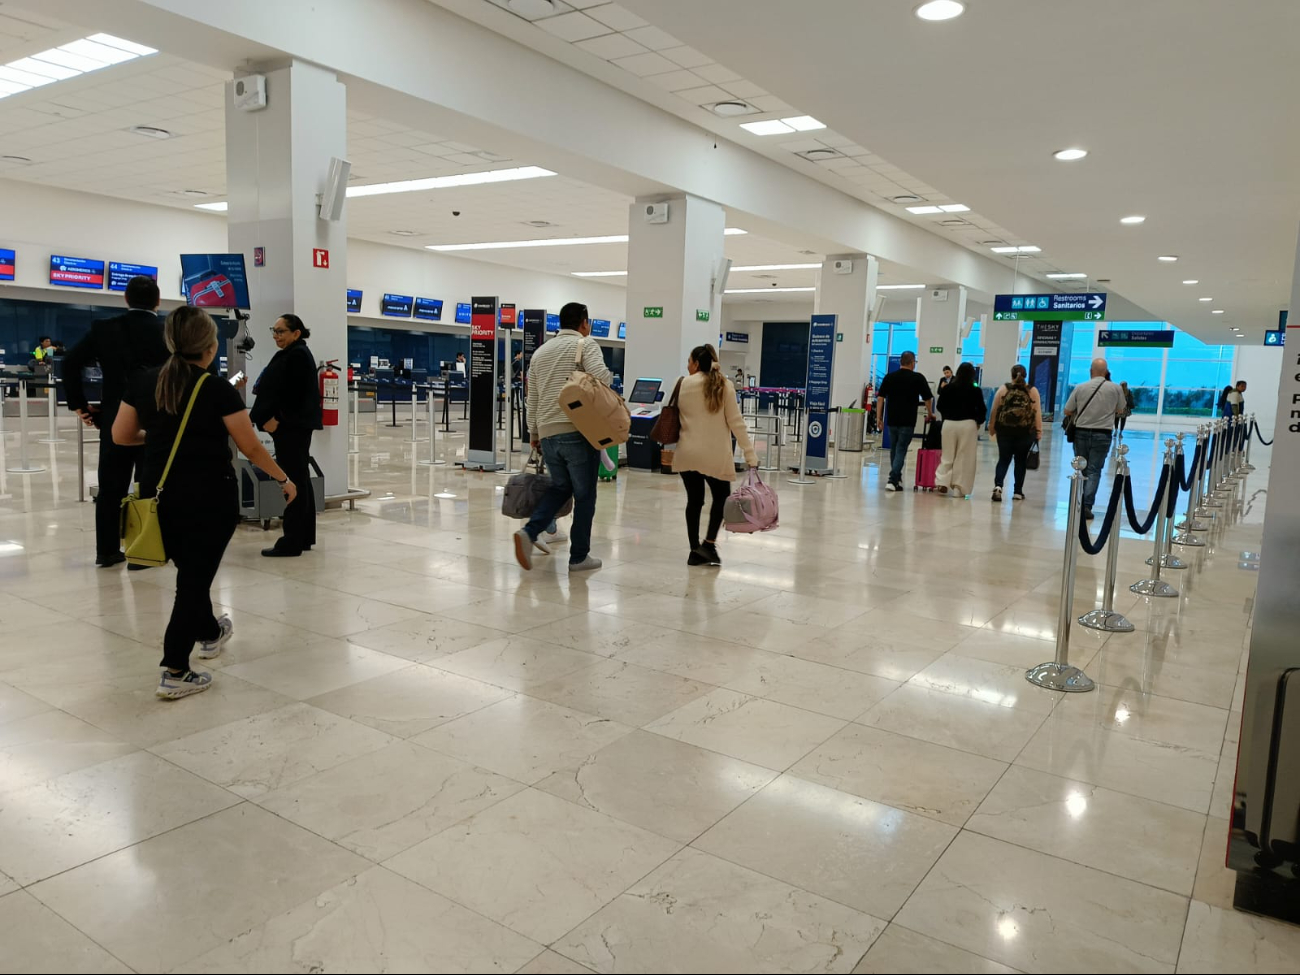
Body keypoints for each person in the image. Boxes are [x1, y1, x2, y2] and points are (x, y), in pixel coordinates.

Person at [113, 307, 296, 699]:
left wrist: (162, 436)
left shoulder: (144, 382)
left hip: (158, 497)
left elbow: (121, 435)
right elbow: (248, 445)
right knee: (192, 582)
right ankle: (175, 668)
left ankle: (211, 632)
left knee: (191, 575)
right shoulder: (216, 389)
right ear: (210, 347)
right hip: (208, 498)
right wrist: (283, 478)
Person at [61, 276, 170, 568]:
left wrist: (79, 405)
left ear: (126, 299)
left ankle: (107, 551)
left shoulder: (105, 329)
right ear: (158, 301)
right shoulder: (167, 331)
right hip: (156, 419)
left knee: (111, 487)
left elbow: (70, 363)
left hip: (114, 417)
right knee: (151, 485)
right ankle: (146, 550)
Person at [513, 301, 610, 572]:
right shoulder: (585, 345)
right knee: (585, 495)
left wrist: (533, 432)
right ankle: (579, 557)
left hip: (547, 433)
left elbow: (532, 398)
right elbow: (602, 377)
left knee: (560, 487)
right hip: (577, 430)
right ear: (584, 322)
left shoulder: (541, 352)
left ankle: (530, 532)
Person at [672, 344, 757, 566]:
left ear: (696, 363)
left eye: (689, 361)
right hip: (715, 456)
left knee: (694, 500)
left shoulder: (682, 384)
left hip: (687, 453)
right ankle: (708, 544)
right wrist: (750, 454)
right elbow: (736, 423)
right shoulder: (724, 386)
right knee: (720, 497)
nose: (687, 366)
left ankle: (693, 549)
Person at [250, 314, 322, 558]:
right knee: (300, 478)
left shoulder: (297, 355)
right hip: (293, 427)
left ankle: (292, 540)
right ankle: (302, 536)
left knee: (292, 481)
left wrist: (275, 420)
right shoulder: (294, 354)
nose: (276, 335)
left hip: (290, 428)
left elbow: (294, 395)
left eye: (281, 331)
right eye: (274, 330)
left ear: (296, 333)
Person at [1062, 358, 1125, 520]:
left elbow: (1067, 411)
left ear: (1090, 371)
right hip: (1102, 434)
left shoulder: (1080, 387)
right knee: (1094, 470)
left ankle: (1078, 503)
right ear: (1106, 372)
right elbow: (1121, 409)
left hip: (1081, 433)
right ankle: (1087, 505)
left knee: (1081, 468)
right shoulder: (1115, 388)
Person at [874, 351, 934, 492]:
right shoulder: (917, 378)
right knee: (901, 450)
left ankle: (896, 479)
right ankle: (893, 479)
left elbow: (881, 398)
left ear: (901, 362)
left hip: (892, 419)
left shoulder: (890, 377)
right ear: (912, 362)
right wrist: (930, 414)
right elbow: (927, 398)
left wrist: (878, 418)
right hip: (908, 420)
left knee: (894, 449)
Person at [988, 364, 1042, 502]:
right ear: (1025, 375)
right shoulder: (1032, 391)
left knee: (1003, 459)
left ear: (1011, 375)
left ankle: (998, 486)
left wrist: (992, 427)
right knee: (1020, 461)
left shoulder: (1003, 389)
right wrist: (1038, 432)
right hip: (1025, 432)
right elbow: (1037, 413)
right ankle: (1017, 492)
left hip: (1005, 431)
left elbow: (995, 410)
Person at [933, 362, 986, 498]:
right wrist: (978, 421)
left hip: (949, 424)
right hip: (968, 424)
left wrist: (947, 415)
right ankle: (958, 488)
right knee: (964, 457)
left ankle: (942, 482)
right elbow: (982, 409)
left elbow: (939, 406)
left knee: (947, 454)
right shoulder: (975, 390)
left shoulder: (948, 388)